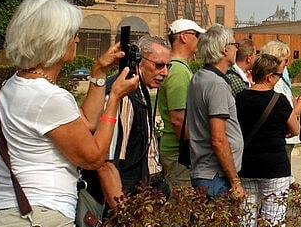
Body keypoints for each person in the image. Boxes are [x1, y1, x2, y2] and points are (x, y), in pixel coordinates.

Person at [0, 0, 138, 227]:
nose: (77, 40)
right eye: (72, 34)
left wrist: (98, 74)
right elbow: (93, 156)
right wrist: (115, 98)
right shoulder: (48, 98)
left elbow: (85, 123)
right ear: (54, 40)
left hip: (3, 220)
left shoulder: (14, 86)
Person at [91, 35, 172, 208]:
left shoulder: (138, 89)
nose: (165, 72)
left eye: (168, 66)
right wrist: (124, 214)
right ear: (138, 61)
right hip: (127, 198)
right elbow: (106, 162)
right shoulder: (123, 95)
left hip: (143, 192)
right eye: (158, 65)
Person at [235, 54, 301, 227]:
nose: (279, 79)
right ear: (269, 76)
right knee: (273, 223)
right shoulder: (279, 100)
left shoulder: (239, 98)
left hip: (246, 165)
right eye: (278, 75)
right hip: (274, 166)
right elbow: (296, 129)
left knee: (245, 222)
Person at [186, 24, 244, 200]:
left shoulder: (199, 77)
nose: (237, 49)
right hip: (216, 176)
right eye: (235, 45)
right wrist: (235, 182)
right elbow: (218, 139)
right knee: (215, 226)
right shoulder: (216, 84)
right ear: (225, 49)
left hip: (205, 172)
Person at [158, 19, 205, 189]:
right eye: (197, 35)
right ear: (184, 37)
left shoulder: (179, 67)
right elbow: (178, 119)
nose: (199, 39)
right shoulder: (177, 71)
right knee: (181, 208)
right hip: (177, 152)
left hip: (176, 150)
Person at [259, 40, 301, 160]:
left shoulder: (282, 79)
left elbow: (293, 104)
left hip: (287, 139)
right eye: (285, 60)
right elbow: (292, 113)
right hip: (280, 139)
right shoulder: (273, 84)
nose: (287, 64)